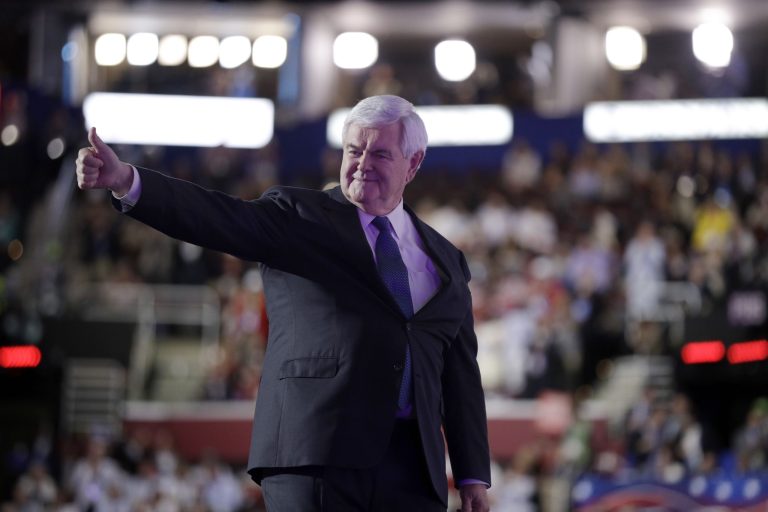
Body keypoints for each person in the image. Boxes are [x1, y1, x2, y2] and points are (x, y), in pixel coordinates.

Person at [75, 95, 491, 511]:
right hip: (316, 453)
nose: (363, 163)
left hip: (413, 470)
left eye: (380, 153)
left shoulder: (445, 258)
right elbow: (217, 217)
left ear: (413, 163)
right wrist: (126, 180)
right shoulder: (299, 216)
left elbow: (460, 374)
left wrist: (472, 474)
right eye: (354, 150)